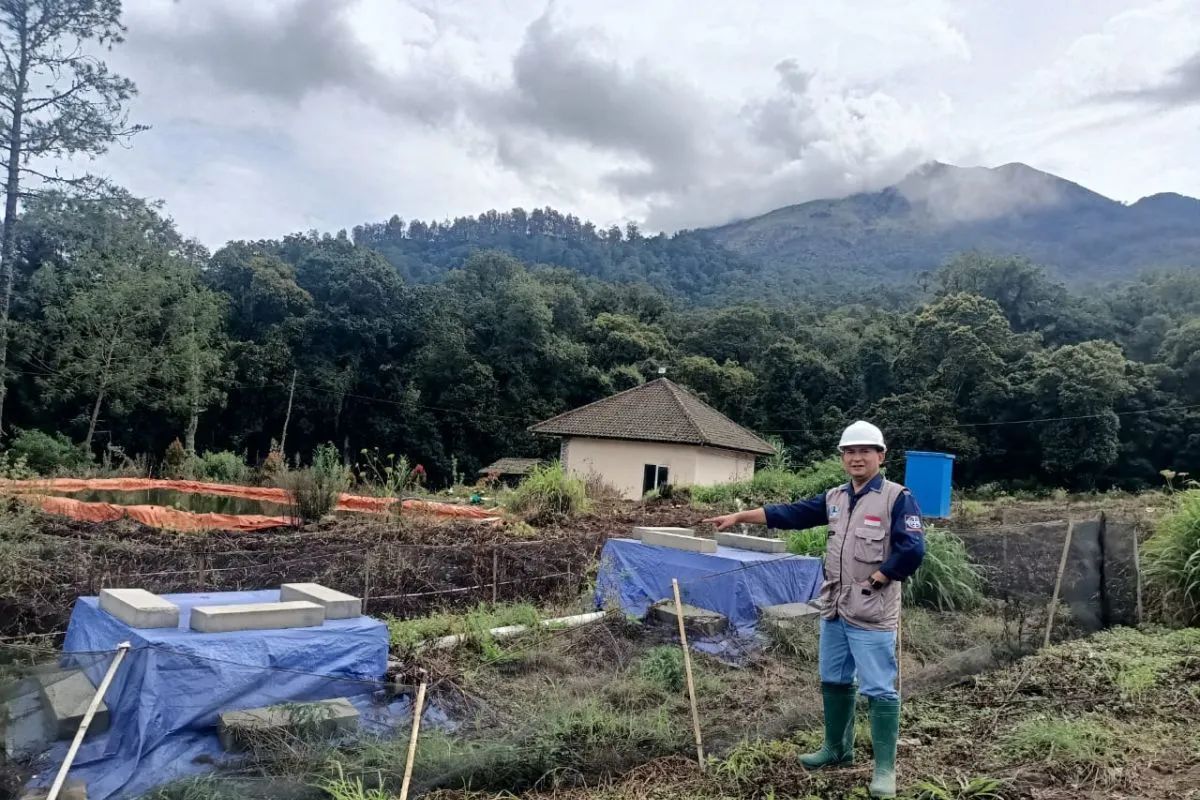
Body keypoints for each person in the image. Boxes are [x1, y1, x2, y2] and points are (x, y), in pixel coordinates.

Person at [703, 420, 925, 799]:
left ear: (880, 456)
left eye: (865, 451)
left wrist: (879, 578)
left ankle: (884, 769)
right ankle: (836, 749)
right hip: (835, 608)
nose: (856, 457)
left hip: (871, 611)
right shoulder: (836, 497)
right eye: (849, 452)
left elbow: (912, 549)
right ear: (842, 458)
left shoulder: (896, 498)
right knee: (834, 680)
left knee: (878, 689)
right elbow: (791, 514)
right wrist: (739, 517)